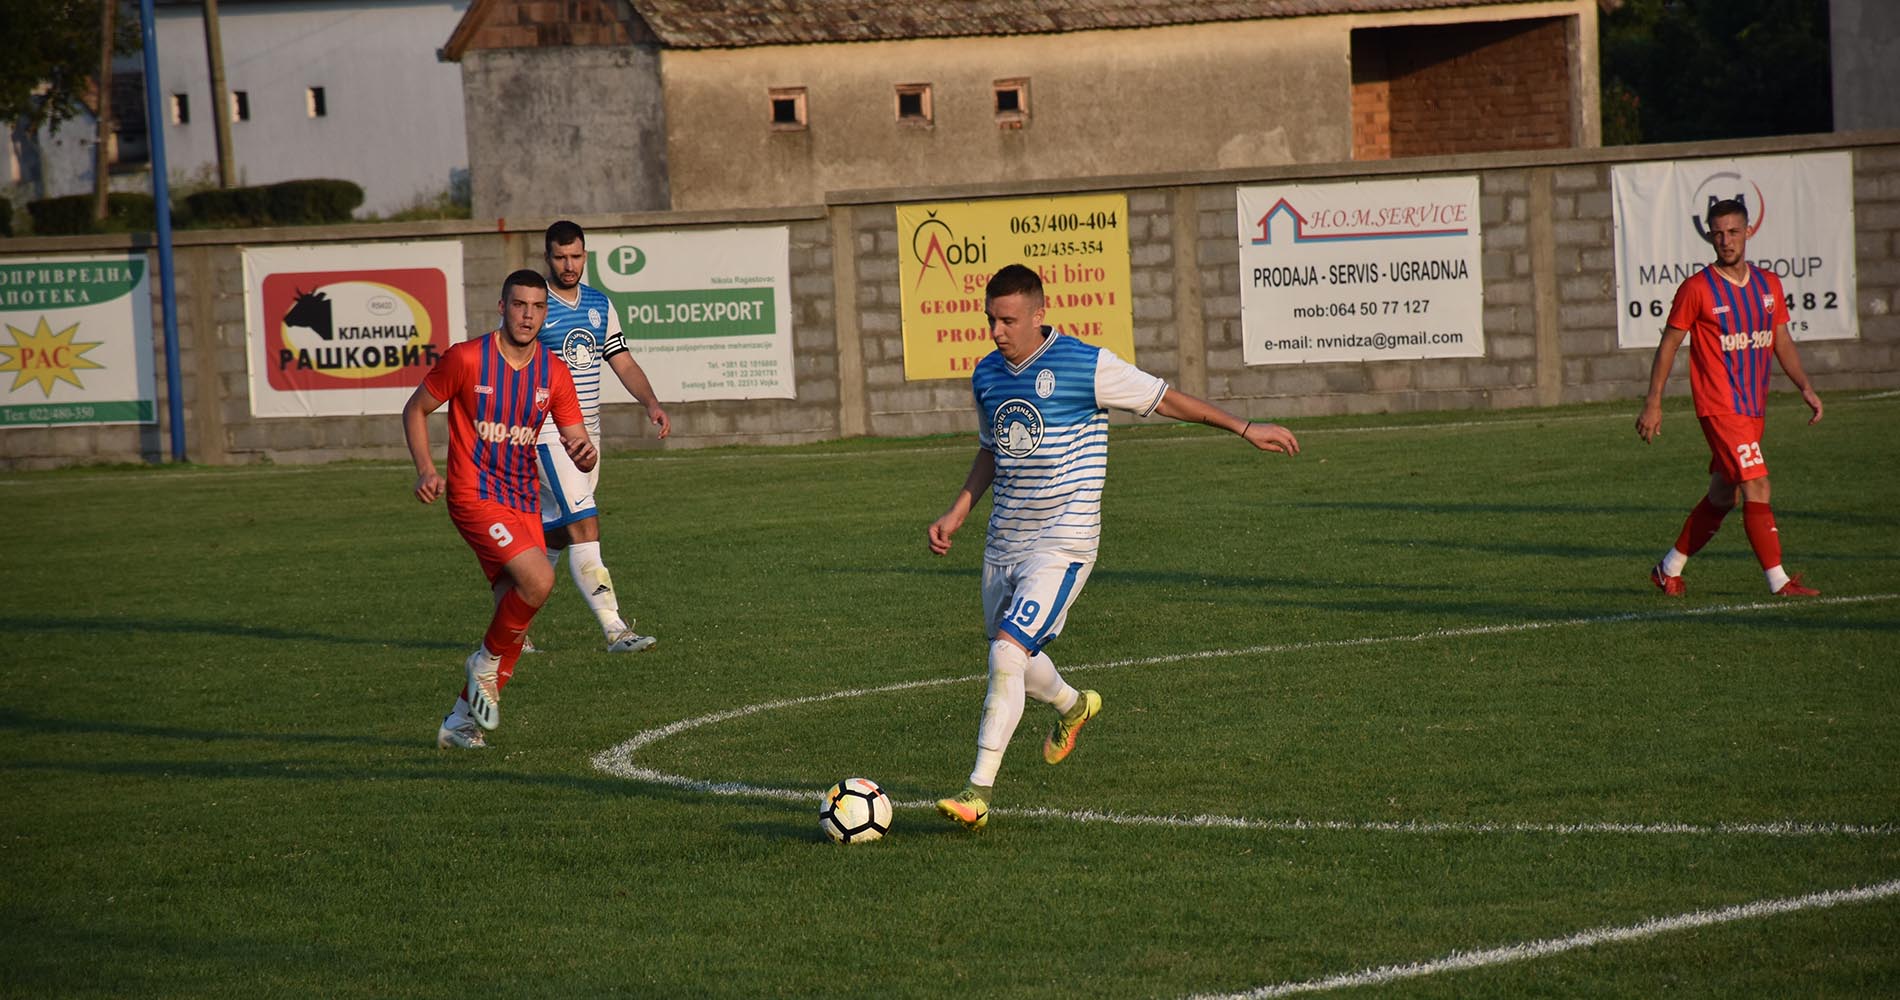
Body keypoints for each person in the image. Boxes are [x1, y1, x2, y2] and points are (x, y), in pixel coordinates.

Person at [927, 263, 1300, 829]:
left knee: (1006, 653)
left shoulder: (1086, 365)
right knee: (1017, 658)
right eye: (991, 320)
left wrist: (1245, 428)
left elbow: (1166, 399)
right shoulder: (986, 374)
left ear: (1039, 314)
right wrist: (958, 511)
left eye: (1008, 320)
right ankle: (1073, 705)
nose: (997, 331)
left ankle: (977, 793)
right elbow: (991, 449)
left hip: (1064, 539)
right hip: (1005, 539)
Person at [403, 269, 598, 750]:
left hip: (522, 500)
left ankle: (458, 723)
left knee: (516, 614)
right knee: (540, 580)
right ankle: (483, 664)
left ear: (545, 314)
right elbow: (415, 409)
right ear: (502, 307)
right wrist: (426, 469)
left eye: (537, 307)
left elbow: (577, 438)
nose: (528, 315)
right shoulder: (467, 358)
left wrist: (584, 453)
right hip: (473, 494)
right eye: (519, 305)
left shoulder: (553, 372)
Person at [1636, 198, 1823, 598]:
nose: (1726, 240)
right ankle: (1779, 582)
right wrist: (1654, 401)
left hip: (1752, 409)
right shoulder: (1697, 288)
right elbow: (1669, 344)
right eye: (1718, 233)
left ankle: (1668, 569)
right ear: (1710, 236)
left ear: (1748, 232)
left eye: (1733, 232)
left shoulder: (1769, 285)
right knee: (1758, 485)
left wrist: (1804, 386)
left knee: (1724, 494)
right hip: (1720, 407)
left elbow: (1781, 339)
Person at [534, 220, 672, 653]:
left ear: (585, 256)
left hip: (589, 431)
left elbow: (622, 361)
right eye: (560, 257)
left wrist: (651, 402)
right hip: (550, 433)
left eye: (575, 256)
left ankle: (511, 627)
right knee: (585, 524)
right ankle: (616, 630)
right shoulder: (535, 305)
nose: (568, 265)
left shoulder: (598, 303)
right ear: (547, 257)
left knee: (557, 533)